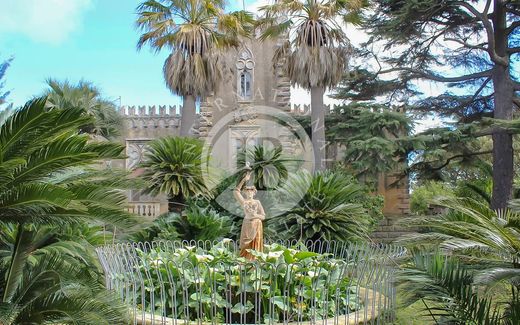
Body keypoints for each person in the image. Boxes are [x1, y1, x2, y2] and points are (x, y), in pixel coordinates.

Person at [234, 170, 265, 260]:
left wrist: (255, 215)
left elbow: (263, 216)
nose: (249, 192)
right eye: (247, 190)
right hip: (247, 225)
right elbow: (236, 191)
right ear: (244, 192)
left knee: (255, 249)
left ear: (254, 191)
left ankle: (254, 263)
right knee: (245, 246)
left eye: (251, 190)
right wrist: (244, 180)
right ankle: (245, 263)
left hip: (257, 225)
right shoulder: (244, 202)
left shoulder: (257, 202)